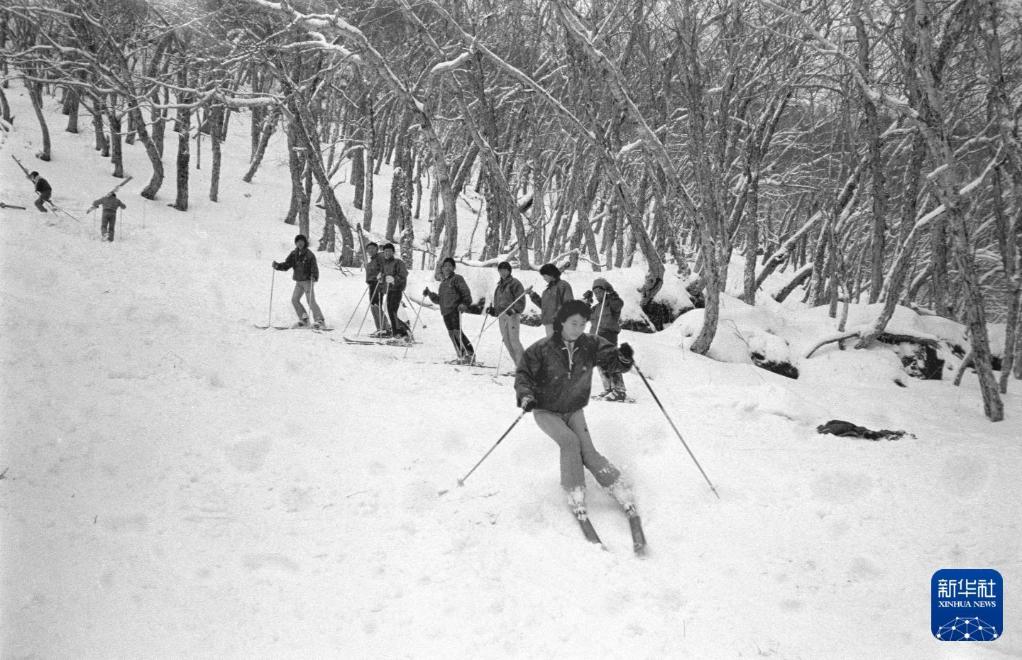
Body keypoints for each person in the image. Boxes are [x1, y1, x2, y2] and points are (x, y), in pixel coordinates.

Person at [515, 300, 639, 535]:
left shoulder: (591, 344)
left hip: (573, 409)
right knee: (569, 442)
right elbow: (524, 375)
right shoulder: (541, 348)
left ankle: (618, 486)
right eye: (574, 323)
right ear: (562, 322)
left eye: (583, 324)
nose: (579, 329)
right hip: (545, 410)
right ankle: (575, 492)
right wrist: (526, 395)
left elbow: (612, 361)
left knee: (588, 452)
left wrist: (623, 358)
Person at [424, 257, 475, 363]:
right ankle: (461, 355)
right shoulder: (443, 284)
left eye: (450, 266)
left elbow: (466, 294)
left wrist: (464, 304)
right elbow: (439, 300)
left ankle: (470, 355)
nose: (447, 268)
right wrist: (429, 293)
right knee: (451, 334)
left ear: (453, 268)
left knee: (457, 332)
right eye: (445, 266)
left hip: (455, 310)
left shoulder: (457, 279)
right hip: (445, 312)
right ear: (442, 268)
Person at [585, 277, 627, 401]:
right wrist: (587, 301)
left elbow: (619, 304)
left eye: (600, 291)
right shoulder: (596, 307)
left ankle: (619, 390)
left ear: (605, 291)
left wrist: (612, 292)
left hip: (608, 336)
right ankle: (609, 388)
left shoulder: (611, 304)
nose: (598, 294)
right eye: (595, 293)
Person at [272, 234, 326, 329]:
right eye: (298, 242)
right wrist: (278, 266)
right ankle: (304, 319)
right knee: (294, 299)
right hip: (299, 282)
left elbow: (314, 267)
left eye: (302, 241)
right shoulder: (294, 254)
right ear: (296, 243)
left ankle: (320, 321)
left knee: (310, 301)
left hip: (308, 281)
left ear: (305, 243)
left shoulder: (309, 255)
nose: (300, 243)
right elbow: (287, 265)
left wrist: (314, 276)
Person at [487, 261, 526, 367]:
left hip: (512, 315)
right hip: (502, 316)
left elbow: (520, 300)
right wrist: (493, 310)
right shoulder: (499, 286)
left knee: (514, 340)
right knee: (507, 341)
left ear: (509, 271)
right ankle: (518, 366)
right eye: (500, 270)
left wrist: (514, 310)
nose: (503, 272)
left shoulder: (515, 283)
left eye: (505, 270)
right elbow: (499, 302)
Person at [528, 263, 573, 338]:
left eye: (545, 275)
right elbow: (544, 306)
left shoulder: (563, 285)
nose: (544, 278)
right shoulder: (547, 291)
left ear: (551, 274)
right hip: (549, 323)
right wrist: (532, 294)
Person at [377, 243, 410, 339]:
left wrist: (394, 279)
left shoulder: (398, 262)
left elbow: (404, 275)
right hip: (389, 290)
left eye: (389, 251)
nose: (387, 253)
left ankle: (400, 332)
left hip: (397, 290)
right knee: (390, 311)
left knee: (392, 310)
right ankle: (398, 331)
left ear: (393, 252)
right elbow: (384, 275)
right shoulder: (385, 263)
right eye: (385, 251)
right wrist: (381, 278)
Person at [363, 241, 385, 334]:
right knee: (373, 305)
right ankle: (380, 328)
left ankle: (384, 327)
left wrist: (381, 276)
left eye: (373, 248)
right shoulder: (372, 260)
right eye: (369, 249)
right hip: (372, 284)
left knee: (376, 305)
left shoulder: (380, 257)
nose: (370, 250)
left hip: (378, 284)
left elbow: (385, 268)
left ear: (377, 249)